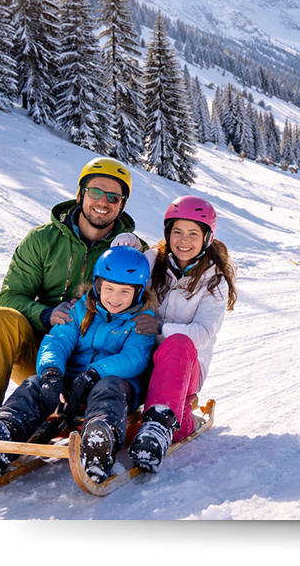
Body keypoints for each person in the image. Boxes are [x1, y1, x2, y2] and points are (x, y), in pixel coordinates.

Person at [0, 158, 145, 466]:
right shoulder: (43, 240)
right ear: (80, 193)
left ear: (122, 205)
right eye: (96, 191)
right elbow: (11, 295)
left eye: (113, 197)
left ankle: (103, 422)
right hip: (44, 361)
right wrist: (46, 314)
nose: (103, 202)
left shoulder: (131, 252)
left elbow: (154, 300)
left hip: (102, 373)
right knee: (0, 317)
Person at [0, 246, 155, 483]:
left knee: (108, 387)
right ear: (97, 285)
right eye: (108, 288)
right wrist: (51, 372)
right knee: (34, 385)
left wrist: (93, 373)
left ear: (138, 293)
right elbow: (57, 341)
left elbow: (135, 358)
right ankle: (3, 432)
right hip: (70, 382)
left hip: (115, 385)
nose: (114, 297)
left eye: (124, 291)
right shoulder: (79, 310)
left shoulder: (142, 321)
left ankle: (100, 440)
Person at [114, 195, 238, 473]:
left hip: (185, 367)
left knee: (180, 341)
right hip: (142, 359)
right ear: (167, 233)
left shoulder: (214, 282)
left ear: (207, 238)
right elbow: (121, 277)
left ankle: (163, 425)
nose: (184, 240)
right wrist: (128, 243)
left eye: (193, 233)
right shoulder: (153, 260)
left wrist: (160, 328)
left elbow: (202, 334)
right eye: (177, 231)